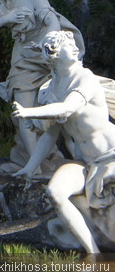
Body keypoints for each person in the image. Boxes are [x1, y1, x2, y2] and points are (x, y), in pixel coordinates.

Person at [12, 31, 115, 254]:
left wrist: (29, 112)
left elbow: (68, 107)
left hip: (111, 156)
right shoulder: (49, 90)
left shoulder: (84, 78)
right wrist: (30, 167)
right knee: (55, 192)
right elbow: (50, 135)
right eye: (70, 45)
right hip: (86, 163)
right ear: (53, 53)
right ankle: (93, 253)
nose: (76, 48)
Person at [0, 0, 84, 164]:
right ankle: (35, 166)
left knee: (60, 105)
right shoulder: (2, 2)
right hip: (23, 57)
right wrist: (6, 18)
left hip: (47, 54)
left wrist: (47, 44)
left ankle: (73, 157)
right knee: (21, 112)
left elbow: (52, 22)